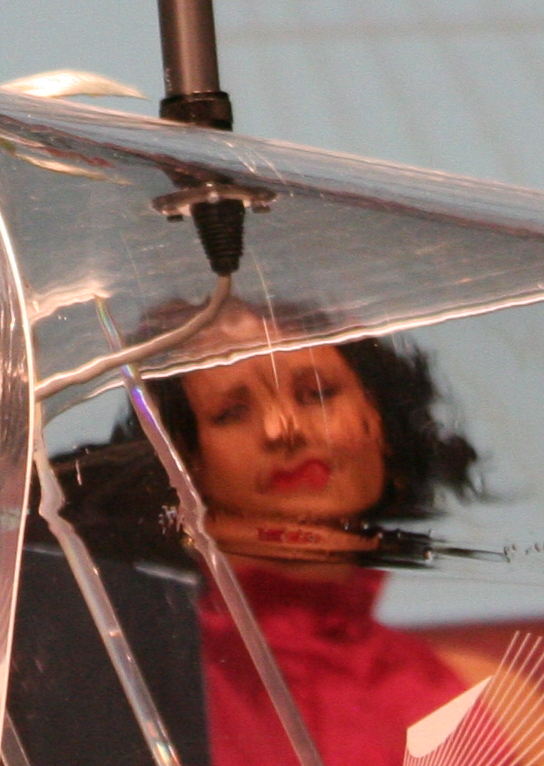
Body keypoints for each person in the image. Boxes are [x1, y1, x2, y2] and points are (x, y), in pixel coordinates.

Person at [125, 311, 490, 766]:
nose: (283, 429)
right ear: (182, 461)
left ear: (382, 420)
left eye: (317, 394)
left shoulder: (479, 700)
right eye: (232, 413)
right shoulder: (133, 689)